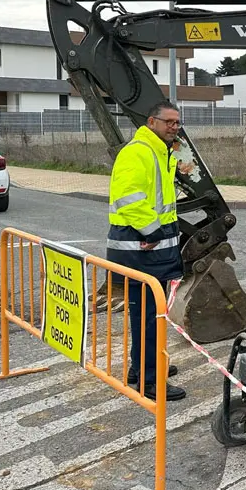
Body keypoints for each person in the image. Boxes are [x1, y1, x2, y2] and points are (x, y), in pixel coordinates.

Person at [106, 100, 186, 402]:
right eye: (169, 122)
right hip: (141, 250)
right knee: (150, 318)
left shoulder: (160, 152)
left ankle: (141, 368)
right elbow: (129, 198)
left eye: (177, 122)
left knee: (147, 316)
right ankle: (150, 381)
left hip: (152, 251)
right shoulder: (138, 152)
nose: (174, 127)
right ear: (151, 122)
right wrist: (152, 231)